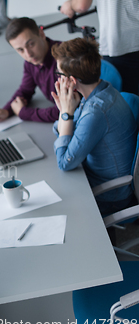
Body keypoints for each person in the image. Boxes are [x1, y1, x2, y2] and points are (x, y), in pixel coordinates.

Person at [51, 38, 137, 216]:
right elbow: (59, 130)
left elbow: (64, 162)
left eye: (59, 75)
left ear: (72, 81)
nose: (57, 79)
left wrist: (66, 114)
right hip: (94, 178)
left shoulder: (96, 112)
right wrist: (66, 113)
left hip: (109, 196)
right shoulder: (104, 90)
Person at [0, 17, 61, 123]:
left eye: (31, 44)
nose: (28, 54)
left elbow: (66, 110)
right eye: (20, 50)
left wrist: (23, 112)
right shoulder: (31, 62)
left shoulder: (65, 61)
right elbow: (25, 90)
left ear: (41, 34)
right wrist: (6, 110)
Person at [60, 0, 139, 95]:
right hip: (128, 42)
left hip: (124, 44)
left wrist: (70, 5)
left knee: (128, 105)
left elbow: (82, 5)